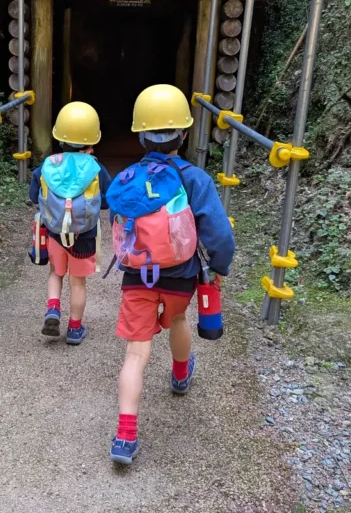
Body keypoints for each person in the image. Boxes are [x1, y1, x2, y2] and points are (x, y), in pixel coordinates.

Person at [105, 84, 236, 464]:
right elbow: (219, 234)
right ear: (183, 133)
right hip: (181, 276)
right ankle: (180, 374)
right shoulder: (195, 179)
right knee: (177, 319)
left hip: (136, 277)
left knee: (136, 353)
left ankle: (125, 437)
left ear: (140, 134)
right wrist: (219, 268)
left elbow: (118, 223)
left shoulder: (128, 176)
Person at [29, 102, 112, 345]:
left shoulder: (48, 165)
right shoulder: (96, 168)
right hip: (84, 236)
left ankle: (53, 308)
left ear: (59, 138)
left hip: (54, 232)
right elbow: (105, 201)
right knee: (78, 282)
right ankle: (75, 329)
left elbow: (35, 197)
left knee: (56, 272)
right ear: (92, 143)